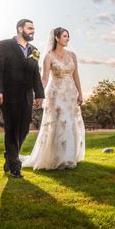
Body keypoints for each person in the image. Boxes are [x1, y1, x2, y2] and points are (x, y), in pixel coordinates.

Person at [20, 27, 85, 170]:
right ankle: (56, 158)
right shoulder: (49, 56)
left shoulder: (72, 55)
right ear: (56, 37)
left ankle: (69, 156)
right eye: (65, 36)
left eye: (68, 36)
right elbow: (44, 78)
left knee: (70, 123)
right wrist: (39, 94)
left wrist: (80, 93)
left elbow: (76, 75)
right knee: (58, 124)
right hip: (55, 94)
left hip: (70, 94)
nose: (67, 39)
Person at [0, 19, 45, 178]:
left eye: (33, 29)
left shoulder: (34, 50)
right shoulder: (4, 45)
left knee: (24, 129)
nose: (32, 31)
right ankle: (15, 166)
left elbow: (36, 74)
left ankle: (10, 156)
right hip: (8, 94)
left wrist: (40, 94)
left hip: (27, 96)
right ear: (20, 29)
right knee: (12, 128)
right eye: (29, 28)